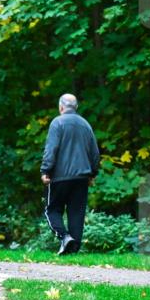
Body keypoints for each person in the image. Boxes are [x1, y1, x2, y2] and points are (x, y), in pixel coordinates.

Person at [41, 94, 100, 255]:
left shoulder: (57, 123)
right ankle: (73, 249)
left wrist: (46, 170)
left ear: (61, 107)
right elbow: (95, 152)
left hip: (59, 176)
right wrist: (93, 173)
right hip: (81, 177)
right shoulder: (85, 124)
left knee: (52, 210)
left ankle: (64, 237)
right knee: (76, 213)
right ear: (76, 107)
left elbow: (51, 149)